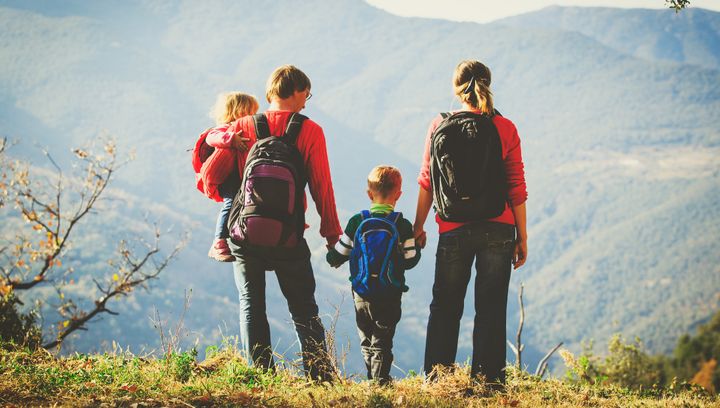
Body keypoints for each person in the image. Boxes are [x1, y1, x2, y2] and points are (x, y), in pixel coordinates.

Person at [205, 65, 342, 381]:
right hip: (289, 237)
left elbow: (210, 176)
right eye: (306, 94)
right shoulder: (310, 131)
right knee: (304, 308)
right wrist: (331, 234)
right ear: (295, 92)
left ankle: (261, 378)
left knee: (251, 304)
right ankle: (320, 377)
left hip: (244, 234)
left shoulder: (242, 127)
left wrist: (231, 190)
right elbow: (323, 187)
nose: (307, 101)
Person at [413, 60, 528, 388]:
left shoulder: (439, 124)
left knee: (446, 304)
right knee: (491, 306)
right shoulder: (505, 127)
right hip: (499, 227)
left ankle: (438, 380)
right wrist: (522, 236)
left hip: (452, 228)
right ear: (488, 84)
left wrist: (418, 226)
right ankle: (489, 382)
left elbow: (427, 180)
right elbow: (516, 185)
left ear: (456, 88)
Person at [326, 165, 420, 385]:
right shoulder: (402, 225)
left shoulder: (357, 222)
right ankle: (380, 382)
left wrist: (331, 253)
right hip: (390, 293)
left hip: (362, 293)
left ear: (369, 194)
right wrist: (418, 245)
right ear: (398, 195)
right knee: (383, 341)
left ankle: (373, 380)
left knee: (366, 340)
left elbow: (337, 257)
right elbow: (410, 261)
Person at [202, 92, 259, 262]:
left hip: (242, 175)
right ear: (237, 111)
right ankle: (219, 241)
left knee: (241, 205)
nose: (253, 117)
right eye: (250, 112)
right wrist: (230, 138)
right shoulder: (224, 128)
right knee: (231, 203)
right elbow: (211, 138)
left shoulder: (247, 128)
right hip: (229, 176)